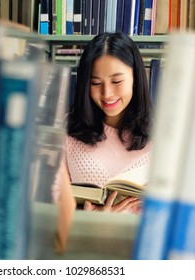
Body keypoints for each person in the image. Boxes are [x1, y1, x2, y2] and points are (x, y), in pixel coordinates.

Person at [52, 32, 153, 214]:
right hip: (83, 239)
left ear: (136, 79)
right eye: (96, 83)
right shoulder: (66, 129)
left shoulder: (161, 136)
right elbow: (52, 202)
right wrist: (88, 218)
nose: (107, 94)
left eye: (116, 81)